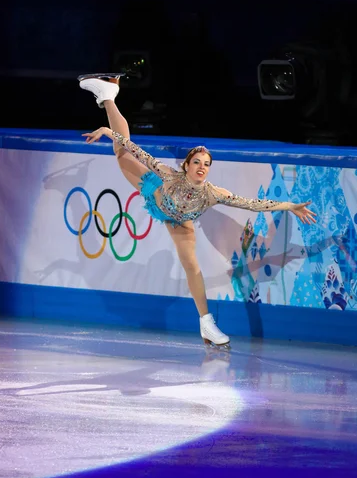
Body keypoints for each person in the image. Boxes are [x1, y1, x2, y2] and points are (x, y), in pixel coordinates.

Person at [79, 74, 317, 349]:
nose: (202, 167)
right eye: (197, 162)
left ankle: (206, 323)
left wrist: (290, 206)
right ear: (187, 166)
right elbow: (137, 151)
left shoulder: (214, 193)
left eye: (206, 163)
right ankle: (108, 94)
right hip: (155, 194)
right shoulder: (168, 175)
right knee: (122, 154)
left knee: (192, 266)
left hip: (180, 222)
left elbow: (254, 204)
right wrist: (109, 133)